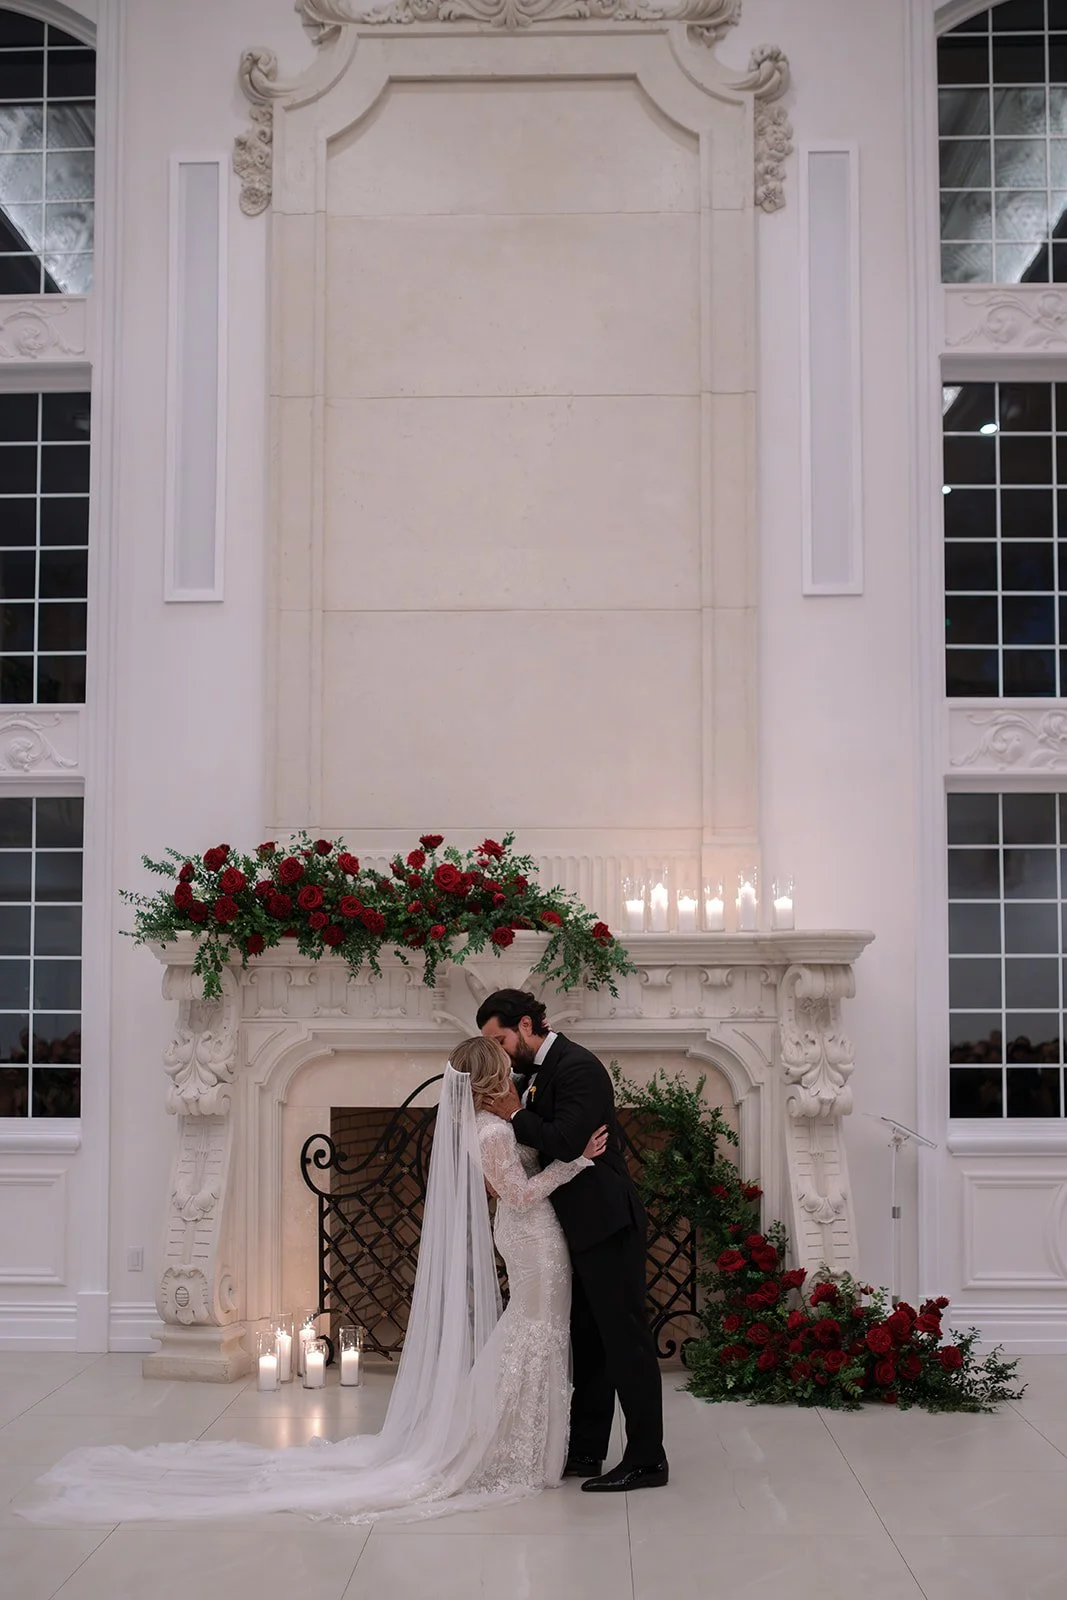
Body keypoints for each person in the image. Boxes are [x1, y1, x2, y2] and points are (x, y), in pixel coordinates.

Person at [19, 1039, 607, 1526]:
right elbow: (518, 1193)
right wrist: (573, 1162)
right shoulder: (495, 1133)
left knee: (533, 1332)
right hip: (532, 1240)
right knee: (535, 1333)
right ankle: (506, 1449)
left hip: (528, 1239)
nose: (514, 1076)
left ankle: (517, 1445)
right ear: (488, 1082)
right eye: (505, 1071)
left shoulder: (484, 1126)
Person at [476, 988, 668, 1492]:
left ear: (524, 1025)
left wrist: (515, 1114)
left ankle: (648, 1457)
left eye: (499, 1039)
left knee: (624, 1341)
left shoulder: (578, 1066)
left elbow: (565, 1141)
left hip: (606, 1221)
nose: (497, 1051)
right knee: (589, 1342)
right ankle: (585, 1451)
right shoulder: (531, 1073)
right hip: (569, 1228)